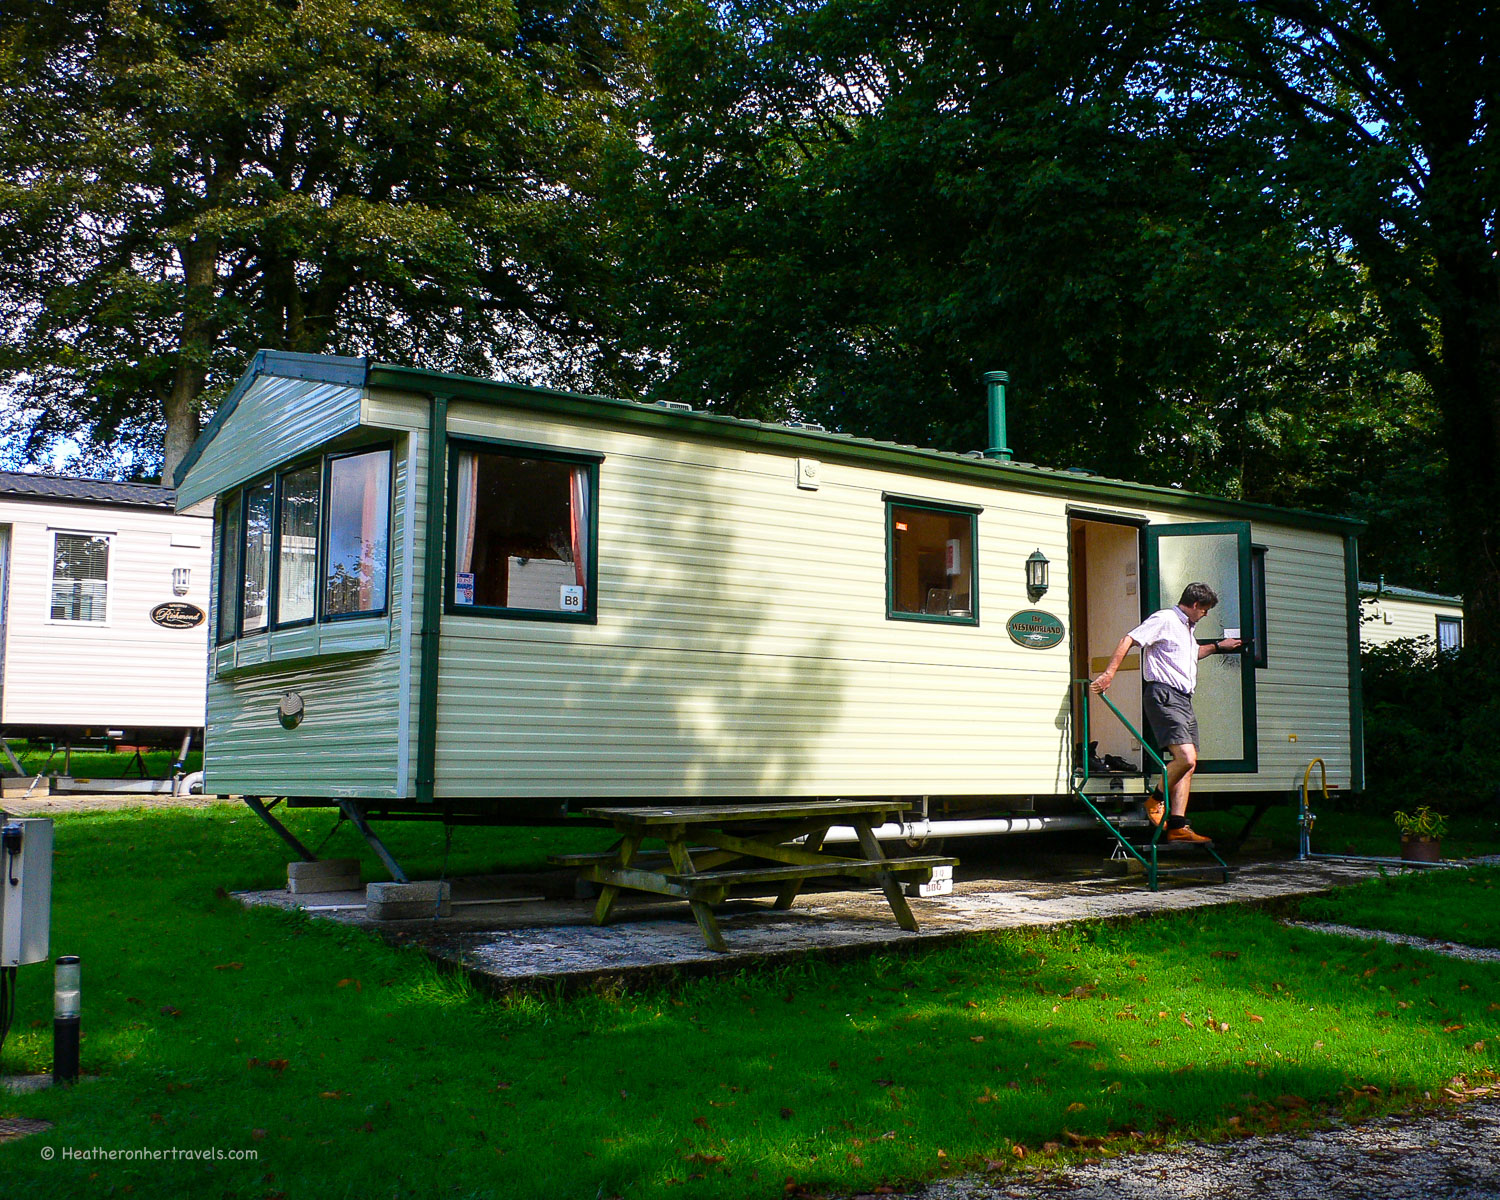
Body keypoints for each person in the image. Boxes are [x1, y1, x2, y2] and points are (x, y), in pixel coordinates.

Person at [1090, 582, 1243, 843]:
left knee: (1189, 764)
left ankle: (1178, 826)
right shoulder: (1166, 619)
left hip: (1184, 699)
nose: (1205, 615)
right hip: (1164, 694)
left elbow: (1193, 654)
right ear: (1195, 605)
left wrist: (1219, 646)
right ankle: (1156, 800)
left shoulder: (1187, 629)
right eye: (1205, 610)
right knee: (1185, 757)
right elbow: (1130, 638)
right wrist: (1108, 674)